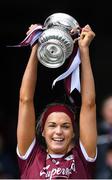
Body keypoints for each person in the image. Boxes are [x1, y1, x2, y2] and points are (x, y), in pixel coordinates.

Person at [16, 23, 97, 179]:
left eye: (66, 126)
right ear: (43, 131)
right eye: (52, 125)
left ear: (74, 133)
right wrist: (35, 47)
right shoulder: (30, 158)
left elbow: (89, 105)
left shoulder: (83, 159)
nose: (58, 131)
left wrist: (84, 50)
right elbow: (25, 100)